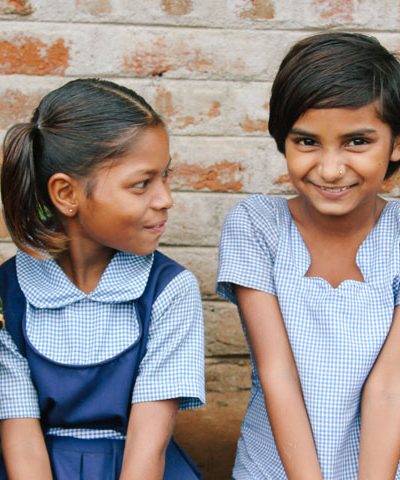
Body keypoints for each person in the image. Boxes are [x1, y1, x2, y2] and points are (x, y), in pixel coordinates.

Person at [0, 78, 205, 480]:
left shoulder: (169, 290)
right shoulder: (9, 293)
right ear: (66, 194)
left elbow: (149, 445)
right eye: (142, 183)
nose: (165, 199)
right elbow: (20, 436)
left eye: (165, 176)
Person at [217, 32, 400, 479]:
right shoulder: (257, 226)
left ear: (396, 143)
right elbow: (278, 375)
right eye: (307, 142)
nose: (330, 169)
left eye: (357, 141)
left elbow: (390, 389)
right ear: (283, 141)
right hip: (273, 468)